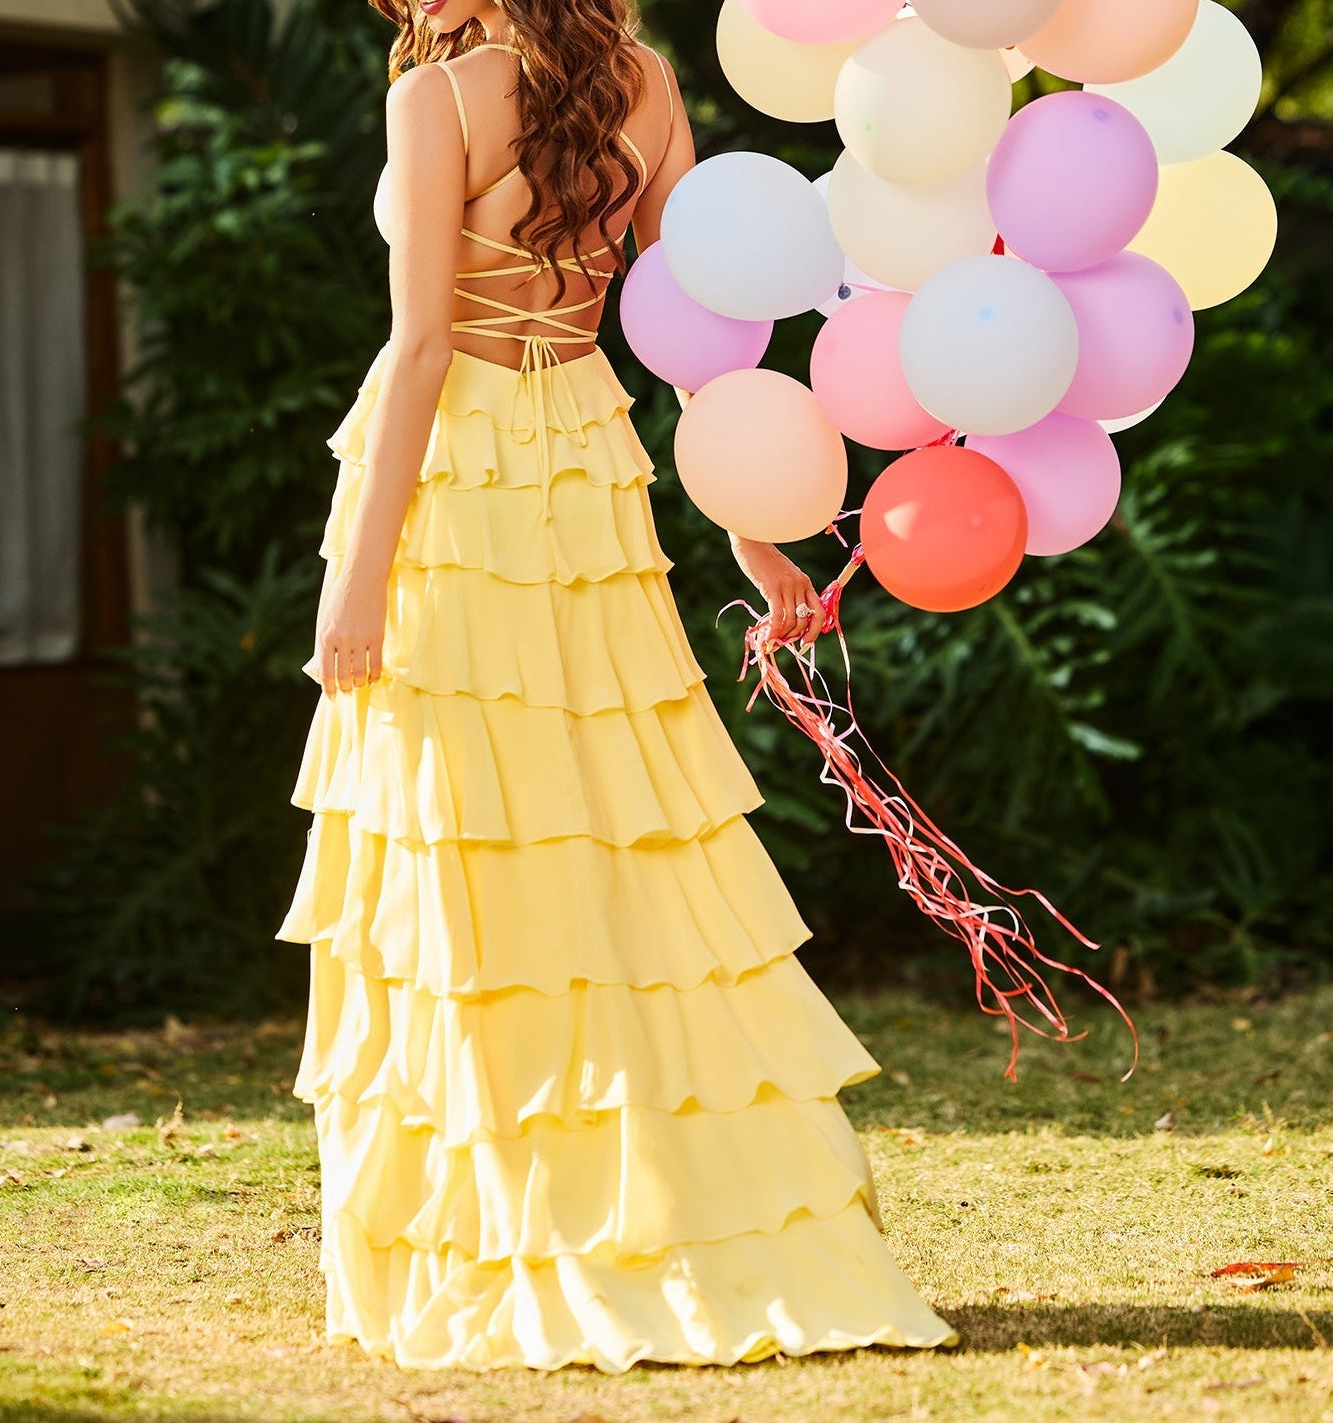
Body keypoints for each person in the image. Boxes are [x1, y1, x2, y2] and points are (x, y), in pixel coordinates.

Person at [275, 0, 961, 1373]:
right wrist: (747, 520)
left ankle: (518, 1217)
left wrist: (358, 581)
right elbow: (684, 328)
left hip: (462, 478)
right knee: (609, 819)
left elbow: (419, 348)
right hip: (588, 459)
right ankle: (678, 1205)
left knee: (467, 829)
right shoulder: (647, 80)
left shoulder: (438, 100)